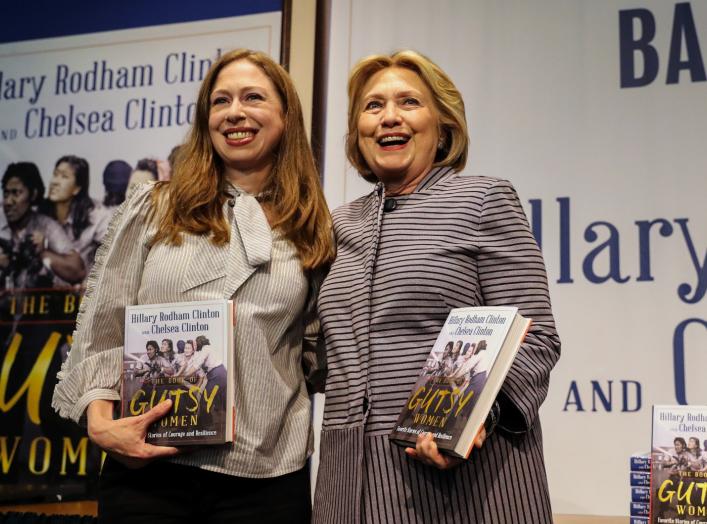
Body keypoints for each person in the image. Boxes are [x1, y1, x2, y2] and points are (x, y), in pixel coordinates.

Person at [52, 48, 334, 523]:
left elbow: (314, 352)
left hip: (265, 480)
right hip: (148, 471)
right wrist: (101, 424)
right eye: (220, 101)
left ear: (285, 116)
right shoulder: (153, 207)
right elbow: (105, 326)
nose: (235, 112)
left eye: (253, 98)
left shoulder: (311, 226)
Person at [313, 50, 561, 523]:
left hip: (467, 483)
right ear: (357, 132)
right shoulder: (339, 224)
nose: (389, 117)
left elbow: (537, 339)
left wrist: (473, 423)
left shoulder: (483, 200)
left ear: (443, 125)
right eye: (372, 106)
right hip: (351, 485)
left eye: (408, 102)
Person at [0, 162, 85, 288]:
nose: (8, 201)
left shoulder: (46, 226)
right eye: (6, 194)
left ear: (33, 194)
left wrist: (43, 252)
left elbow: (77, 272)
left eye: (16, 193)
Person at [40, 155, 112, 275]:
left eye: (64, 176)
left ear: (77, 188)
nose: (55, 182)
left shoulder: (98, 216)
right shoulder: (40, 215)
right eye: (55, 174)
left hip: (84, 289)